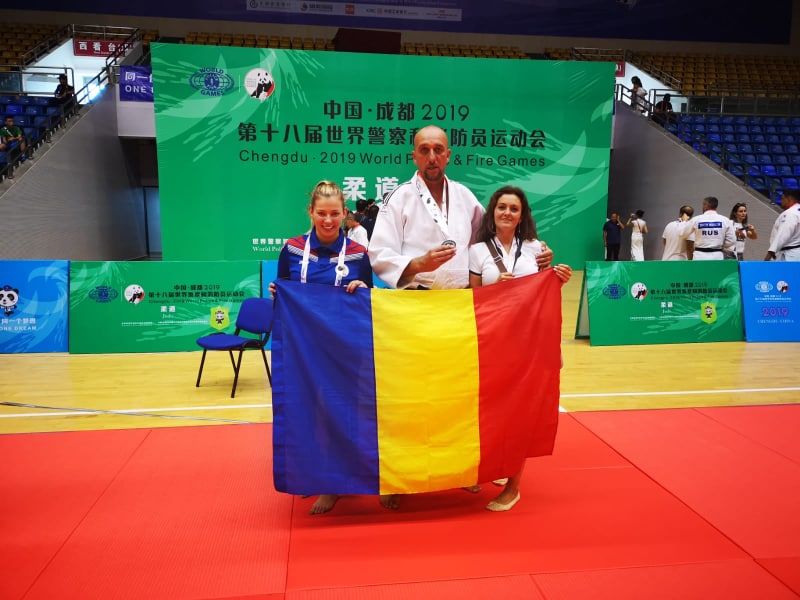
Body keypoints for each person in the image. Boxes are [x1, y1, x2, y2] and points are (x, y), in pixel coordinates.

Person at [369, 125, 553, 508]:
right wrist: (415, 264)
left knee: (456, 396)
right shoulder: (398, 199)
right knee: (409, 397)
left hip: (458, 309)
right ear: (414, 155)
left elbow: (494, 236)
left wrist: (535, 250)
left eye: (438, 149)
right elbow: (379, 253)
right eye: (424, 150)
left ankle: (460, 470)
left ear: (449, 154)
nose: (432, 156)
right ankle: (399, 480)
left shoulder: (465, 196)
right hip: (414, 308)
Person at [269, 180, 372, 515]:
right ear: (311, 212)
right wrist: (277, 293)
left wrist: (362, 287)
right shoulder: (292, 249)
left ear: (344, 214)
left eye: (335, 213)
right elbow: (283, 291)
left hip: (346, 351)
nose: (328, 220)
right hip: (305, 352)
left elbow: (369, 297)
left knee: (347, 414)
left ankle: (345, 480)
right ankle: (319, 478)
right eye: (322, 213)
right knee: (309, 414)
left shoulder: (358, 253)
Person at [468, 185, 571, 511]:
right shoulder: (477, 251)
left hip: (528, 343)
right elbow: (471, 299)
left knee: (522, 411)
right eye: (502, 207)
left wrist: (559, 276)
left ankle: (514, 487)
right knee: (493, 410)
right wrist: (494, 290)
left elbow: (543, 289)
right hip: (493, 344)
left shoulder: (536, 248)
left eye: (514, 208)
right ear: (493, 211)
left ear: (522, 215)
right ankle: (498, 465)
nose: (507, 213)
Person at [764, 189, 800, 261]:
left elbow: (781, 237)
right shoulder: (797, 211)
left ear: (789, 198)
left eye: (782, 198)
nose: (781, 201)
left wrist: (768, 257)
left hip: (788, 256)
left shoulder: (790, 214)